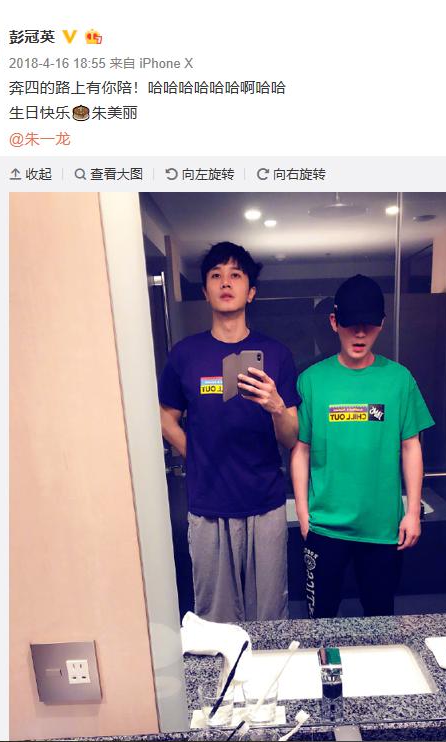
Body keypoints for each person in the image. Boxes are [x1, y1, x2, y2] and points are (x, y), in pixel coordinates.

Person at [158, 241, 300, 623]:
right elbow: (164, 417)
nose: (225, 282)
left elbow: (291, 438)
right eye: (216, 275)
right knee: (214, 620)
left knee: (269, 615)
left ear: (250, 291)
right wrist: (195, 453)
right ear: (205, 291)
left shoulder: (276, 354)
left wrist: (276, 406)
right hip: (208, 503)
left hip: (265, 503)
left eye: (236, 275)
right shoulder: (185, 354)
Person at [290, 274, 434, 618]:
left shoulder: (399, 379)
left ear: (381, 324)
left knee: (380, 619)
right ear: (334, 322)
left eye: (368, 325)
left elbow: (411, 446)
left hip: (382, 527)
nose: (359, 333)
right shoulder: (311, 380)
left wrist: (413, 512)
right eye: (350, 324)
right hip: (325, 525)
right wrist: (303, 514)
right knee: (320, 621)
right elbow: (301, 450)